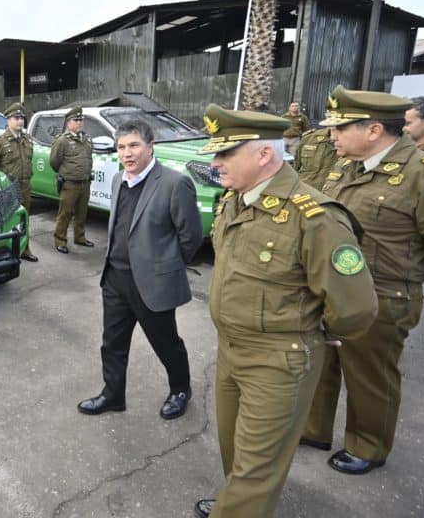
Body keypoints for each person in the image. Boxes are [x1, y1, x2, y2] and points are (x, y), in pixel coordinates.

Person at [192, 104, 377, 518]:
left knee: (258, 465)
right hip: (231, 351)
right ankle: (238, 503)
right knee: (234, 450)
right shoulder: (234, 201)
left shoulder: (314, 217)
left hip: (279, 360)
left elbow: (357, 305)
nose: (215, 162)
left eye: (225, 154)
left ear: (263, 155)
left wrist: (317, 329)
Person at [302, 85, 424, 475]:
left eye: (340, 128)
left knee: (370, 375)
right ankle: (315, 429)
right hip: (334, 291)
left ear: (374, 130)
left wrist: (408, 273)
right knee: (323, 361)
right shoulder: (346, 166)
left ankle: (368, 446)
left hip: (384, 294)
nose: (332, 135)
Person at [77, 118, 201, 421]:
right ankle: (112, 395)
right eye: (121, 147)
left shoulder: (174, 183)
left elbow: (191, 237)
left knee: (166, 342)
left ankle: (180, 389)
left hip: (151, 284)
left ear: (150, 147)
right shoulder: (119, 179)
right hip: (115, 279)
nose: (127, 153)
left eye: (133, 145)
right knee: (112, 343)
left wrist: (164, 268)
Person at [0, 102, 38, 261]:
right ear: (8, 120)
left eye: (22, 118)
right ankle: (5, 250)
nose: (20, 121)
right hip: (9, 188)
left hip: (25, 185)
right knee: (8, 220)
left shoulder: (27, 139)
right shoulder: (0, 142)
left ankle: (25, 249)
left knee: (25, 219)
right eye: (16, 118)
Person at [50, 106, 94, 254]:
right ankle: (60, 241)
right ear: (69, 123)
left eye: (81, 120)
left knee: (82, 213)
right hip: (70, 184)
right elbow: (54, 162)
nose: (80, 123)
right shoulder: (62, 141)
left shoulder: (87, 139)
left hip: (85, 183)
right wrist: (66, 173)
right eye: (76, 120)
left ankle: (79, 237)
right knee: (65, 214)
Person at [293, 126, 337, 191]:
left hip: (333, 196)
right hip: (305, 193)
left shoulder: (353, 144)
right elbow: (297, 167)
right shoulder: (310, 138)